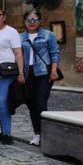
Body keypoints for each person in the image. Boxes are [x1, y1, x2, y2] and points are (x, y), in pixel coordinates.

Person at [20, 9, 62, 147]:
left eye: (34, 19)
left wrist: (54, 70)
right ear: (25, 22)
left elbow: (55, 53)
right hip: (28, 73)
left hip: (44, 72)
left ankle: (46, 134)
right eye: (29, 20)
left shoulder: (48, 35)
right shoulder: (21, 37)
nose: (32, 22)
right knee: (31, 104)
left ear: (39, 21)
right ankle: (37, 133)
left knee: (41, 103)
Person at [0, 7, 25, 145]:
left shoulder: (11, 32)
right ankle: (2, 131)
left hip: (6, 73)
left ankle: (7, 134)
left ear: (3, 17)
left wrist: (20, 72)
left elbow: (18, 53)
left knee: (1, 101)